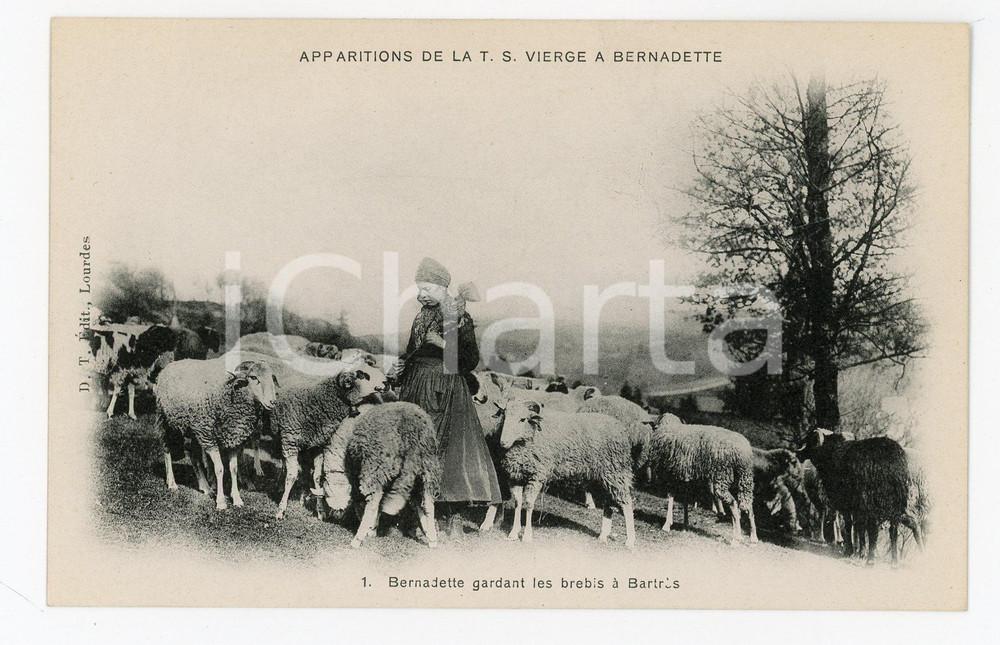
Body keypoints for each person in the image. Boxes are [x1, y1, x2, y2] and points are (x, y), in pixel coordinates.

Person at [394, 257, 501, 537]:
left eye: (427, 288)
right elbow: (412, 351)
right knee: (415, 446)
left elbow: (469, 360)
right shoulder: (421, 317)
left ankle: (447, 514)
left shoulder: (458, 316)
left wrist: (442, 343)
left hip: (446, 388)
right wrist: (400, 366)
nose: (421, 294)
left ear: (443, 287)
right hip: (417, 385)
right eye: (419, 288)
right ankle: (415, 511)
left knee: (444, 450)